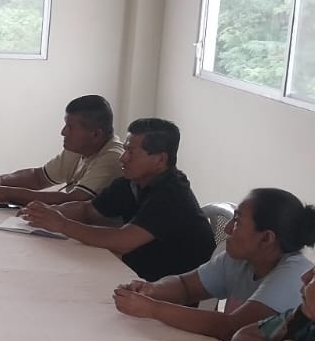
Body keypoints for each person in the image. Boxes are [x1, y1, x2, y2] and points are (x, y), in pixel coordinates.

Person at [112, 188, 315, 339]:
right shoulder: (240, 259)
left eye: (237, 221)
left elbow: (232, 328)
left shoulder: (295, 275)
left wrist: (153, 309)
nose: (227, 228)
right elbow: (186, 287)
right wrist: (152, 290)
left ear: (266, 238)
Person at [20, 117, 216, 281]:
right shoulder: (131, 182)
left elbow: (123, 241)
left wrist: (61, 224)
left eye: (131, 152)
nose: (123, 158)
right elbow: (88, 210)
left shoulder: (172, 194)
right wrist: (44, 213)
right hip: (136, 274)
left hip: (173, 292)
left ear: (160, 160)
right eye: (124, 150)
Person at [0, 95, 124, 205]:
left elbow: (75, 200)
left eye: (70, 127)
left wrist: (8, 193)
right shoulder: (79, 148)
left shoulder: (112, 158)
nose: (63, 132)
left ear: (96, 134)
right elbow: (38, 177)